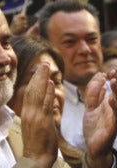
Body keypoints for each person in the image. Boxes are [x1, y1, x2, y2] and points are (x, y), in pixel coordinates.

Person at [0, 0, 117, 168]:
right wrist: (34, 160)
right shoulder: (34, 140)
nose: (4, 57)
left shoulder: (23, 129)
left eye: (6, 43)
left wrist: (99, 159)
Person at [38, 0, 117, 168]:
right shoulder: (46, 112)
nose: (85, 49)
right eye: (70, 41)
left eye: (91, 39)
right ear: (47, 47)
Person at [8, 35, 83, 167]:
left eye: (57, 81)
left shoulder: (75, 157)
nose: (53, 91)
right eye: (38, 82)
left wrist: (101, 157)